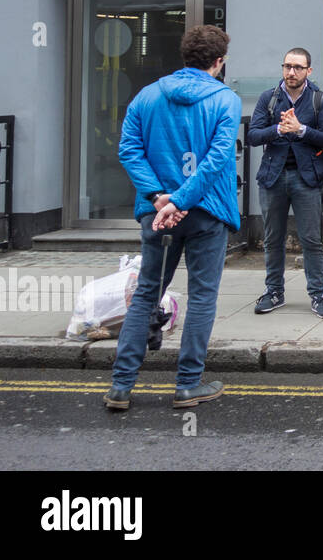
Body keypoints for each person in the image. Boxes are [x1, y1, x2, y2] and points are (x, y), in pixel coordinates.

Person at [105, 25, 241, 411]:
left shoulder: (146, 96)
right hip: (205, 213)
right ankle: (187, 385)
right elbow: (217, 160)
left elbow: (129, 150)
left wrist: (159, 198)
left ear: (184, 57)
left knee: (147, 293)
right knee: (201, 297)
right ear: (218, 62)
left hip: (157, 213)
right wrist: (180, 199)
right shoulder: (224, 100)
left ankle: (121, 386)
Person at [247, 47, 323, 319]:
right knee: (273, 239)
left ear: (309, 71)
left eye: (298, 67)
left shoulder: (318, 99)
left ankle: (318, 295)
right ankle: (274, 291)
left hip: (306, 178)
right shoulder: (269, 99)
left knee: (310, 239)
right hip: (272, 177)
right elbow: (253, 135)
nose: (291, 72)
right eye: (287, 66)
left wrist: (300, 130)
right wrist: (278, 129)